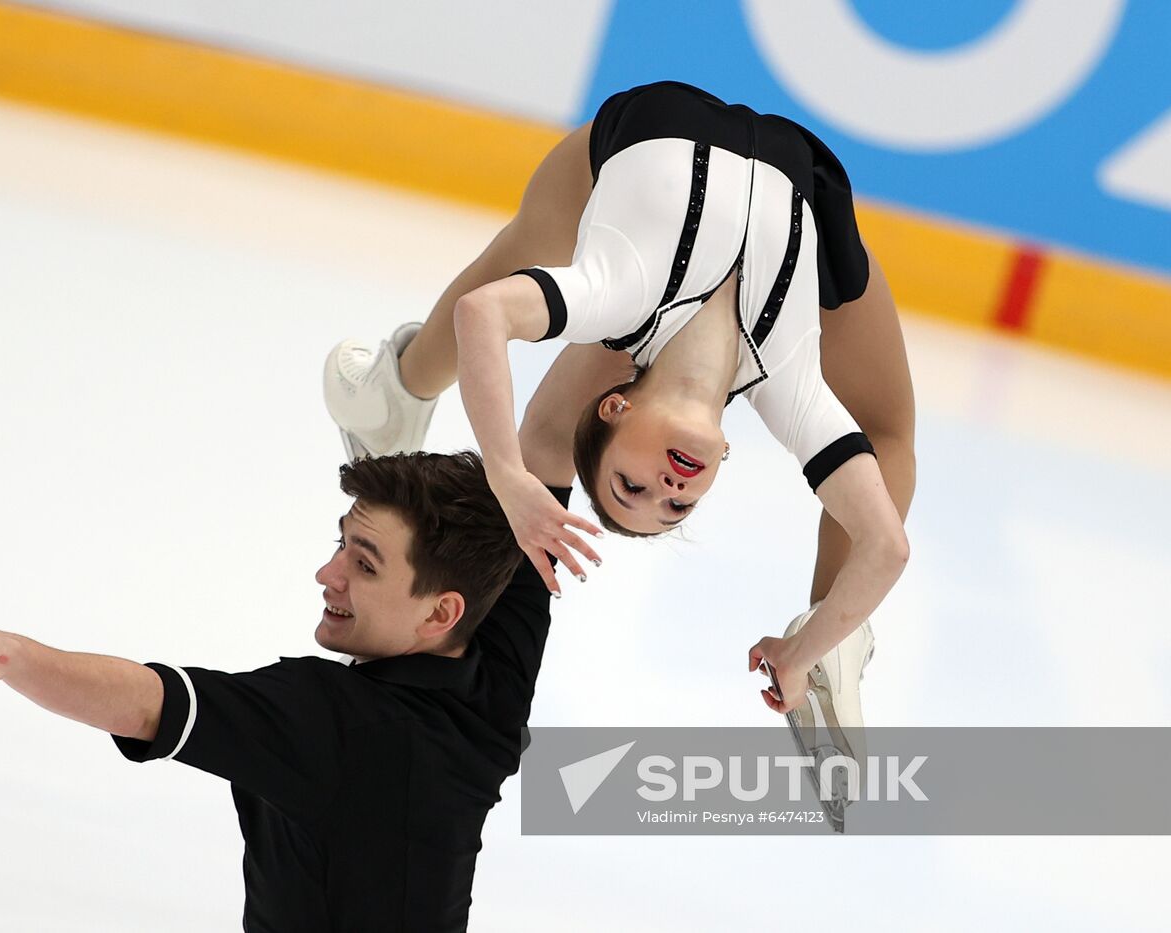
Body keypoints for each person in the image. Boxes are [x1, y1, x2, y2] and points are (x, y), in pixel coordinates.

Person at [324, 81, 914, 776]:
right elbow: (886, 545)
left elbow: (483, 312)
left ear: (614, 405)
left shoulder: (616, 294)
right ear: (724, 454)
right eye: (676, 505)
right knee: (886, 427)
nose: (665, 487)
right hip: (804, 178)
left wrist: (508, 478)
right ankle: (843, 647)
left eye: (632, 485)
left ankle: (398, 391)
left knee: (523, 252)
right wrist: (810, 643)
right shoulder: (788, 385)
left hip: (647, 127)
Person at [0, 451, 572, 932]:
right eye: (341, 543)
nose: (327, 573)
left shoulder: (335, 722)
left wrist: (9, 655)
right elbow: (543, 457)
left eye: (363, 563)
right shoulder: (492, 676)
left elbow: (145, 701)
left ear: (438, 613)